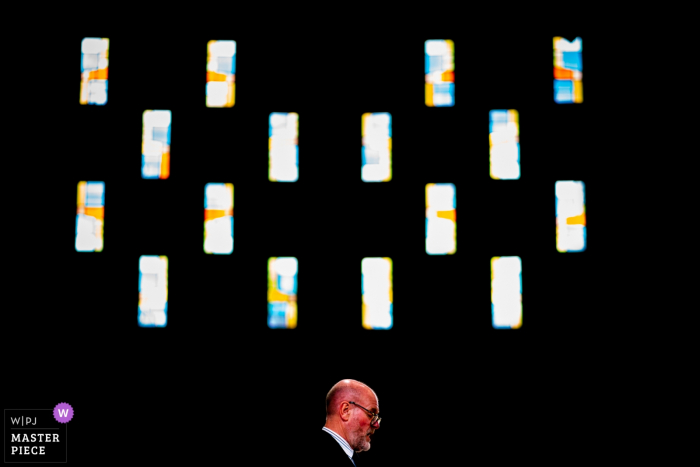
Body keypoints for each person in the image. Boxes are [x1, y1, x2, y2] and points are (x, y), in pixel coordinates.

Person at [312, 379, 381, 466]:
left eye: (376, 417)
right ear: (345, 411)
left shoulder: (353, 459)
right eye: (370, 414)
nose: (376, 425)